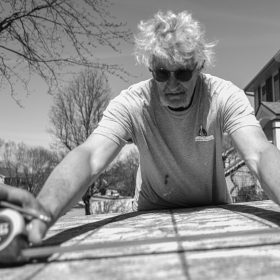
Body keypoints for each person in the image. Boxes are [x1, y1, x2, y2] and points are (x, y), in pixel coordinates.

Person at [1, 10, 280, 245]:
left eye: (182, 72)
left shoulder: (224, 96)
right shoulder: (132, 103)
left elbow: (259, 153)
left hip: (217, 214)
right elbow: (90, 157)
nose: (172, 85)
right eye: (161, 73)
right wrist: (44, 210)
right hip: (149, 218)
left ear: (200, 66)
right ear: (150, 69)